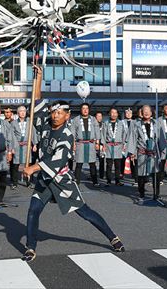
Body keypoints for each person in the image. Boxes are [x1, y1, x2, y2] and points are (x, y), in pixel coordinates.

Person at [21, 89, 124, 262]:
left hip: (61, 181)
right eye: (53, 112)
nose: (55, 115)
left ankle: (112, 237)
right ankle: (31, 247)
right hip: (44, 180)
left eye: (59, 113)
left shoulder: (67, 136)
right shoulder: (46, 125)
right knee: (33, 211)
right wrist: (37, 75)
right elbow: (36, 104)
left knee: (85, 213)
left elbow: (56, 161)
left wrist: (32, 168)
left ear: (67, 116)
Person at [126, 105, 167, 202]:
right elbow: (133, 138)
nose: (146, 113)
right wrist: (132, 152)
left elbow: (161, 138)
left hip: (154, 153)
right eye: (144, 111)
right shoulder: (136, 124)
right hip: (142, 152)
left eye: (148, 111)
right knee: (141, 174)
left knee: (156, 174)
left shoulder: (157, 124)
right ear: (141, 112)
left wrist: (162, 150)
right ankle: (141, 194)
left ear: (152, 112)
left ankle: (156, 194)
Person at [71, 103, 100, 186]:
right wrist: (73, 144)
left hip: (91, 144)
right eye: (83, 108)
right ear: (81, 109)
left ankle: (95, 181)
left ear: (89, 109)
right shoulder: (75, 120)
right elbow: (72, 133)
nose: (85, 110)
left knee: (92, 163)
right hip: (80, 144)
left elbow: (97, 131)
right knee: (79, 164)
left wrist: (97, 143)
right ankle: (76, 181)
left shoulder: (93, 119)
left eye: (87, 108)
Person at [101, 108, 126, 186]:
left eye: (115, 113)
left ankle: (117, 180)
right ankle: (108, 180)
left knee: (118, 165)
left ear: (117, 114)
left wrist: (124, 144)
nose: (114, 114)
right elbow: (103, 134)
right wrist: (103, 144)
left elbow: (124, 134)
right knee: (109, 165)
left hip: (118, 146)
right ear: (109, 114)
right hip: (109, 146)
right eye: (112, 113)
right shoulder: (105, 123)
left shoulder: (121, 123)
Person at [12, 105, 33, 190]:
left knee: (28, 165)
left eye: (24, 111)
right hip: (17, 145)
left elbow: (33, 133)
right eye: (21, 111)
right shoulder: (13, 123)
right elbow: (11, 135)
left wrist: (34, 144)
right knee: (15, 165)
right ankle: (14, 183)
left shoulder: (29, 122)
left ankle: (28, 182)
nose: (23, 112)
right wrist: (12, 147)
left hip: (27, 146)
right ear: (18, 113)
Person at [121, 108, 137, 183]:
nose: (128, 115)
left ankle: (134, 173)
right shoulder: (122, 122)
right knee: (122, 158)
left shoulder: (135, 122)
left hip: (132, 142)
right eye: (127, 113)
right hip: (124, 142)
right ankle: (121, 173)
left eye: (130, 113)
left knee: (132, 158)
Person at [94, 111, 105, 181]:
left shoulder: (104, 125)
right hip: (93, 145)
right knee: (92, 161)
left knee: (102, 160)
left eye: (100, 116)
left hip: (101, 145)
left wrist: (103, 144)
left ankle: (101, 175)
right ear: (95, 117)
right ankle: (93, 174)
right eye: (98, 116)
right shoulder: (92, 125)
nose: (99, 118)